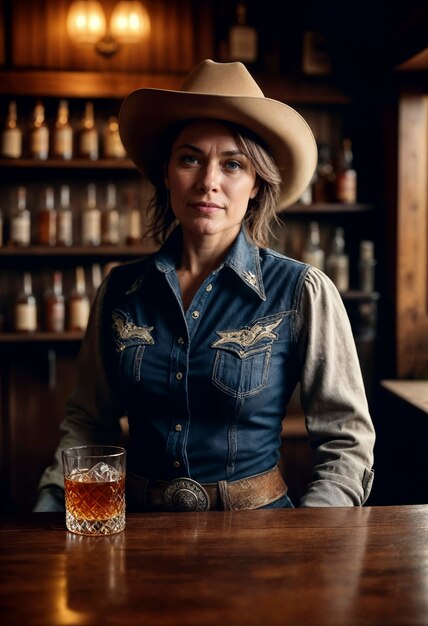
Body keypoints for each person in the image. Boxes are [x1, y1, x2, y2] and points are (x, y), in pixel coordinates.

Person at [34, 59, 375, 512]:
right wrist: (52, 503)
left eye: (233, 164)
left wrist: (314, 534)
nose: (208, 182)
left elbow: (346, 442)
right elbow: (86, 423)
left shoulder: (302, 290)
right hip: (134, 534)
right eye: (190, 158)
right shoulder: (120, 290)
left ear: (256, 183)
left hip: (262, 544)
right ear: (168, 174)